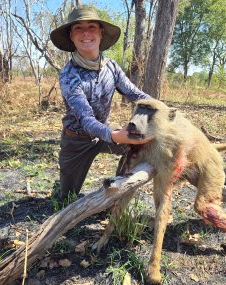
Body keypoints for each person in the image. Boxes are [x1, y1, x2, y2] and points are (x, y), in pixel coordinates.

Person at [50, 5, 153, 200]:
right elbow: (86, 119)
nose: (86, 33)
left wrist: (161, 108)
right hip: (76, 141)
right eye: (78, 28)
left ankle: (117, 191)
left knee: (138, 146)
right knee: (67, 198)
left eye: (92, 27)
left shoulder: (111, 67)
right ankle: (63, 187)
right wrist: (115, 136)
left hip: (103, 135)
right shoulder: (69, 75)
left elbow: (132, 92)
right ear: (71, 36)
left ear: (101, 32)